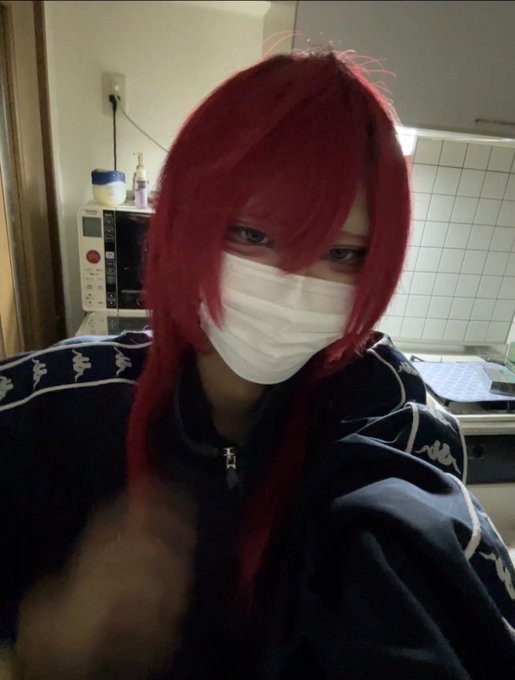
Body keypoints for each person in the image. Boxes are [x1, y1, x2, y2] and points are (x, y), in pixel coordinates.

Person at [0, 50, 514, 680]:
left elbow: (420, 570)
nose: (292, 285)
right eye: (252, 235)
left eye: (342, 254)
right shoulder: (50, 406)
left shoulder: (382, 409)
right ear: (184, 221)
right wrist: (39, 643)